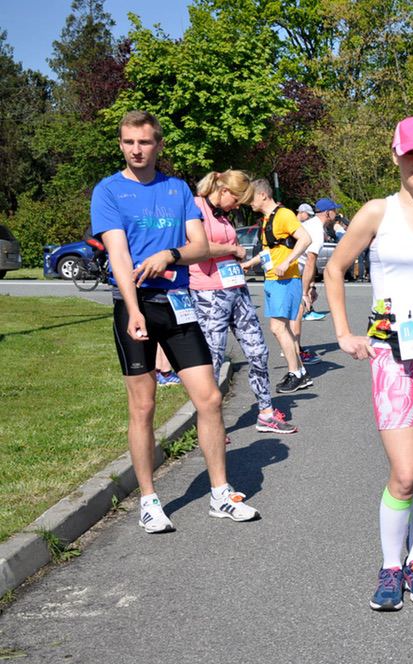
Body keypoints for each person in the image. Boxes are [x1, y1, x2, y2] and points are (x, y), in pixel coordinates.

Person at [92, 110, 259, 533]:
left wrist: (170, 255)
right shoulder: (109, 190)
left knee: (210, 398)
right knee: (143, 405)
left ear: (158, 145)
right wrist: (133, 310)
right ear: (121, 144)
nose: (136, 150)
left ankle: (220, 494)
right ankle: (149, 501)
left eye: (144, 142)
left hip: (178, 302)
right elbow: (119, 255)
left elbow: (200, 245)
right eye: (129, 142)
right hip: (136, 303)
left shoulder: (177, 189)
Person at [323, 117, 413, 612]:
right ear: (395, 154)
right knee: (405, 469)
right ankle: (390, 564)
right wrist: (342, 333)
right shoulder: (377, 211)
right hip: (391, 354)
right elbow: (335, 268)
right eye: (411, 153)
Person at [189, 170, 297, 435]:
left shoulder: (223, 215)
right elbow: (198, 248)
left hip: (236, 288)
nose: (238, 206)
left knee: (258, 351)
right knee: (213, 358)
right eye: (237, 200)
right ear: (224, 190)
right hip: (209, 293)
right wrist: (232, 250)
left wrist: (238, 259)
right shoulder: (196, 207)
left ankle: (266, 413)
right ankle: (212, 425)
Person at [241, 179, 313, 393]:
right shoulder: (267, 220)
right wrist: (250, 263)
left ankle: (295, 374)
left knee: (277, 328)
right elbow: (268, 252)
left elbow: (305, 239)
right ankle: (300, 372)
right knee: (284, 329)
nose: (248, 201)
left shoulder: (284, 215)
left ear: (263, 195)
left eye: (251, 197)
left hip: (285, 280)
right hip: (273, 279)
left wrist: (287, 262)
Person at [291, 197, 339, 366]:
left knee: (293, 314)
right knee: (298, 311)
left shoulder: (310, 224)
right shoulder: (316, 229)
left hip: (292, 271)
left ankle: (291, 348)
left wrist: (311, 286)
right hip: (293, 273)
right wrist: (305, 292)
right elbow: (310, 260)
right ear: (328, 213)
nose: (337, 213)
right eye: (335, 210)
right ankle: (296, 353)